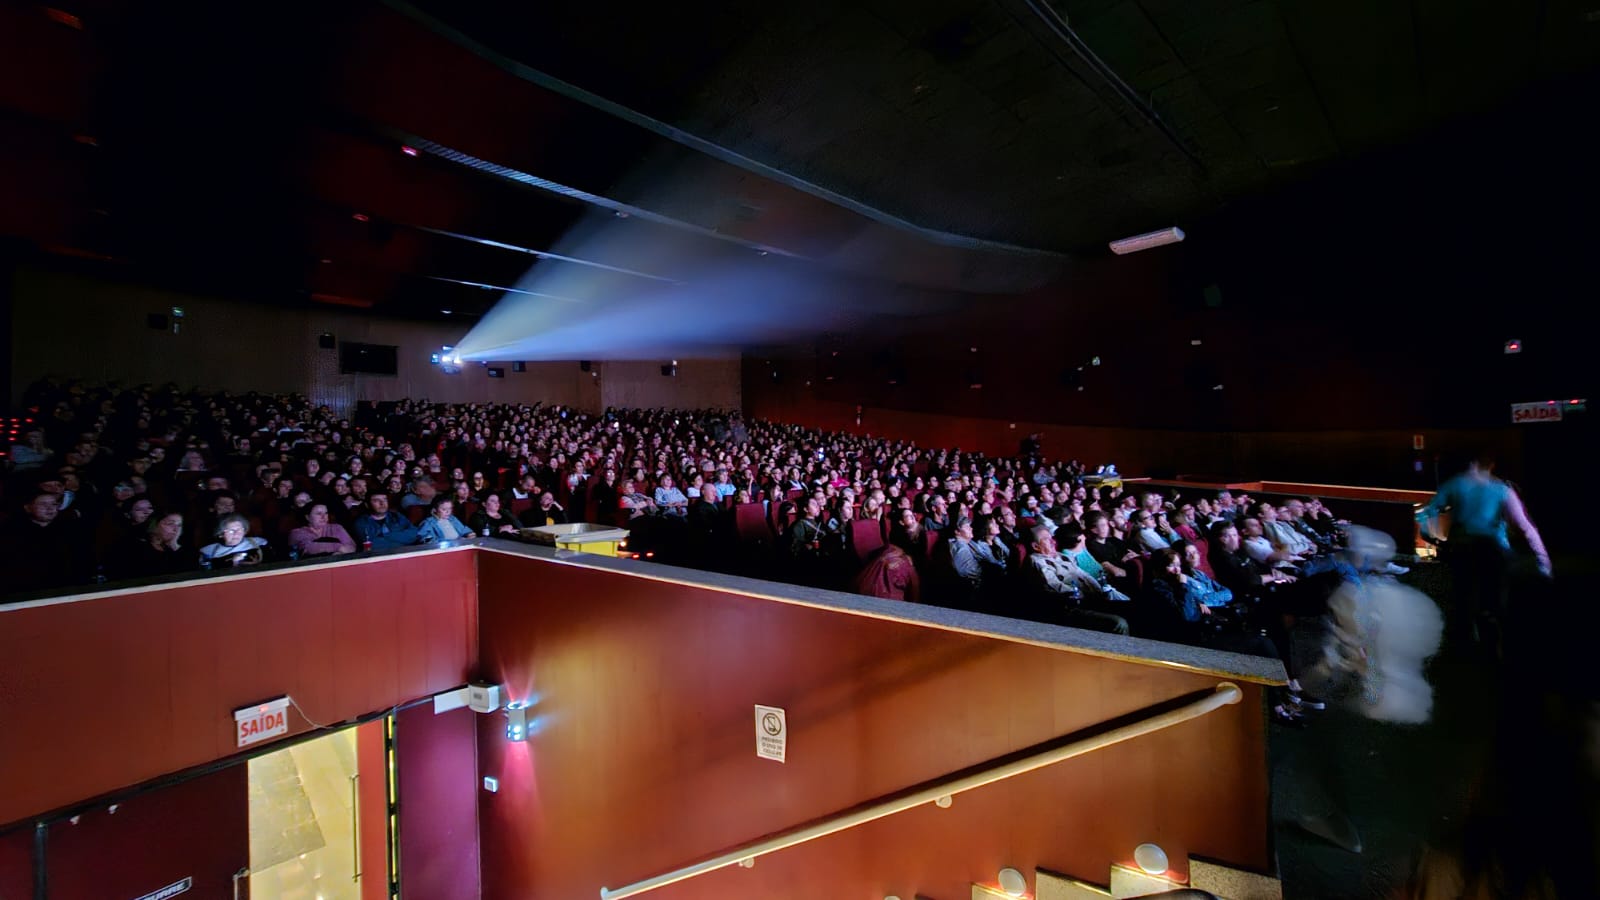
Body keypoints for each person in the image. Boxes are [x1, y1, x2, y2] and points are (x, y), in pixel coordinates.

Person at [1418, 452, 1552, 645]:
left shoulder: (1455, 484)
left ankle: (1466, 639)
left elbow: (1427, 512)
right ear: (1491, 467)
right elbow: (1526, 527)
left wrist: (1430, 537)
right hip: (1493, 549)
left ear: (1471, 465)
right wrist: (1543, 561)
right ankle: (1494, 632)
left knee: (1463, 595)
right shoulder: (1501, 490)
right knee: (1495, 597)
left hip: (1462, 548)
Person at [1024, 525, 1130, 635]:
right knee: (1119, 623)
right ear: (1036, 546)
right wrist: (1082, 594)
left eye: (1052, 537)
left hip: (1094, 598)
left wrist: (1100, 591)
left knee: (1133, 608)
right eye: (1046, 539)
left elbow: (1084, 575)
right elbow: (1053, 585)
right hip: (1072, 606)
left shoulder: (1060, 556)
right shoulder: (1037, 561)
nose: (1053, 541)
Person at [198, 514, 270, 567]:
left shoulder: (259, 543)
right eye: (231, 531)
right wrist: (233, 563)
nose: (236, 534)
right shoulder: (209, 552)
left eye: (239, 530)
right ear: (220, 534)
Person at [287, 503, 357, 558]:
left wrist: (337, 555)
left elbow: (351, 546)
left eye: (326, 513)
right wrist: (338, 547)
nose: (324, 517)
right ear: (307, 517)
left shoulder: (336, 528)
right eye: (319, 513)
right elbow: (308, 548)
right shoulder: (297, 533)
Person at [351, 493, 419, 549]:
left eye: (385, 500)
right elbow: (371, 546)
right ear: (367, 505)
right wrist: (402, 539)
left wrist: (385, 536)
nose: (382, 503)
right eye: (376, 500)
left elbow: (414, 534)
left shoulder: (397, 516)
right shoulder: (361, 522)